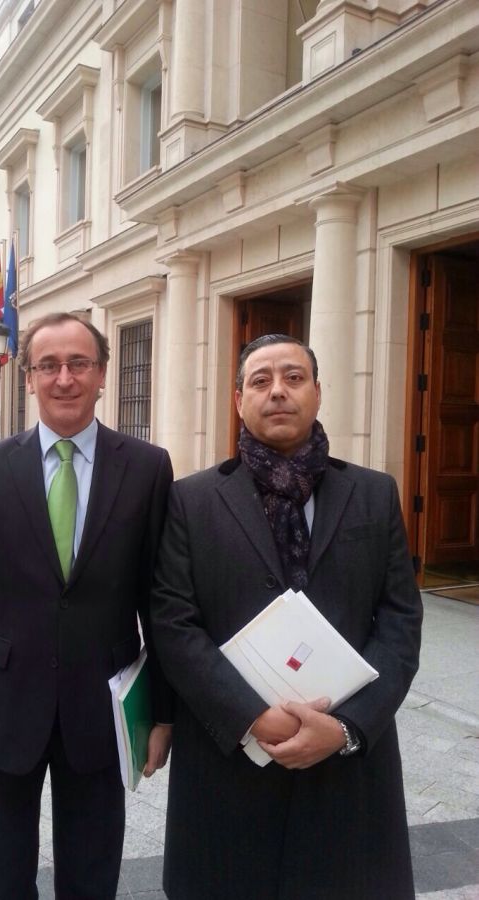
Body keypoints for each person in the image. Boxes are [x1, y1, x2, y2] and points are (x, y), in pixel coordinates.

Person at [151, 333, 422, 900]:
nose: (278, 391)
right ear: (239, 399)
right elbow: (173, 623)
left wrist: (347, 728)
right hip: (229, 767)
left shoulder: (374, 494)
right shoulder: (191, 500)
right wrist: (251, 715)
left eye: (294, 378)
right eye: (260, 380)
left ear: (318, 392)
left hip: (348, 774)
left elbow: (400, 623)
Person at [0, 312, 173, 900]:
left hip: (102, 709)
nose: (64, 378)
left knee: (92, 877)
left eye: (79, 364)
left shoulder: (146, 468)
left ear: (102, 375)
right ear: (29, 378)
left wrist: (161, 716)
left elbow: (160, 604)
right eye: (49, 365)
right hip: (5, 707)